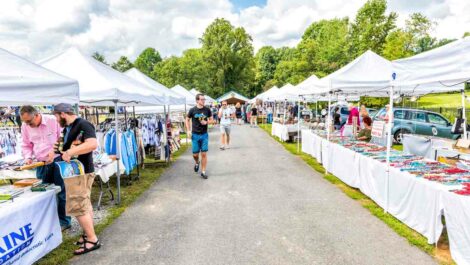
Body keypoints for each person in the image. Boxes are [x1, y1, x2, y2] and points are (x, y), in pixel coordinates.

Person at [53, 103, 100, 255]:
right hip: (75, 171)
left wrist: (71, 151)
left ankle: (92, 240)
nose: (56, 119)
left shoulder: (83, 124)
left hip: (81, 171)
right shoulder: (67, 128)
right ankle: (88, 234)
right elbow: (61, 147)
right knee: (85, 204)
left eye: (56, 116)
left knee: (78, 207)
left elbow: (92, 144)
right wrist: (55, 153)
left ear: (63, 114)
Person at [20, 105, 71, 230]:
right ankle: (47, 222)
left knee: (61, 192)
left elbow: (64, 138)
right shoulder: (25, 126)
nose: (27, 124)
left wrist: (55, 152)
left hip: (58, 161)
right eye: (25, 122)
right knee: (42, 193)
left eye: (29, 121)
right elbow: (26, 144)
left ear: (37, 115)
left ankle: (64, 222)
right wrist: (28, 157)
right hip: (40, 164)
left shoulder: (53, 121)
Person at [186, 94, 213, 179]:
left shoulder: (207, 110)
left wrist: (207, 122)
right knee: (195, 155)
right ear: (197, 100)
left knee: (204, 154)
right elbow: (187, 119)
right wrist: (188, 130)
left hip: (204, 134)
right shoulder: (192, 110)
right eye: (202, 99)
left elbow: (213, 120)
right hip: (195, 135)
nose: (203, 101)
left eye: (204, 99)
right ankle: (197, 162)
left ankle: (203, 171)